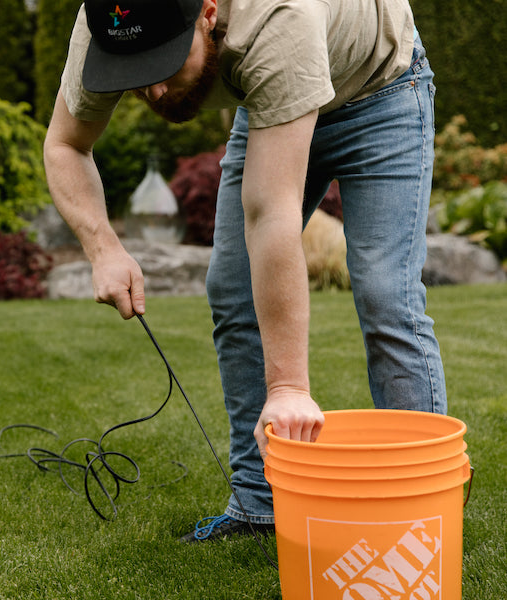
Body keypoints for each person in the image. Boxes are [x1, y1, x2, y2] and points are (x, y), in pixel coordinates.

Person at [42, 0, 447, 542]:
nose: (153, 93)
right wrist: (103, 247)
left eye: (161, 65)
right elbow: (66, 144)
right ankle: (259, 510)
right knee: (231, 288)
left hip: (379, 93)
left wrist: (289, 387)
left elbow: (271, 216)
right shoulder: (108, 23)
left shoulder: (278, 15)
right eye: (133, 75)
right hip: (271, 100)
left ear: (208, 12)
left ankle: (418, 513)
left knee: (385, 294)